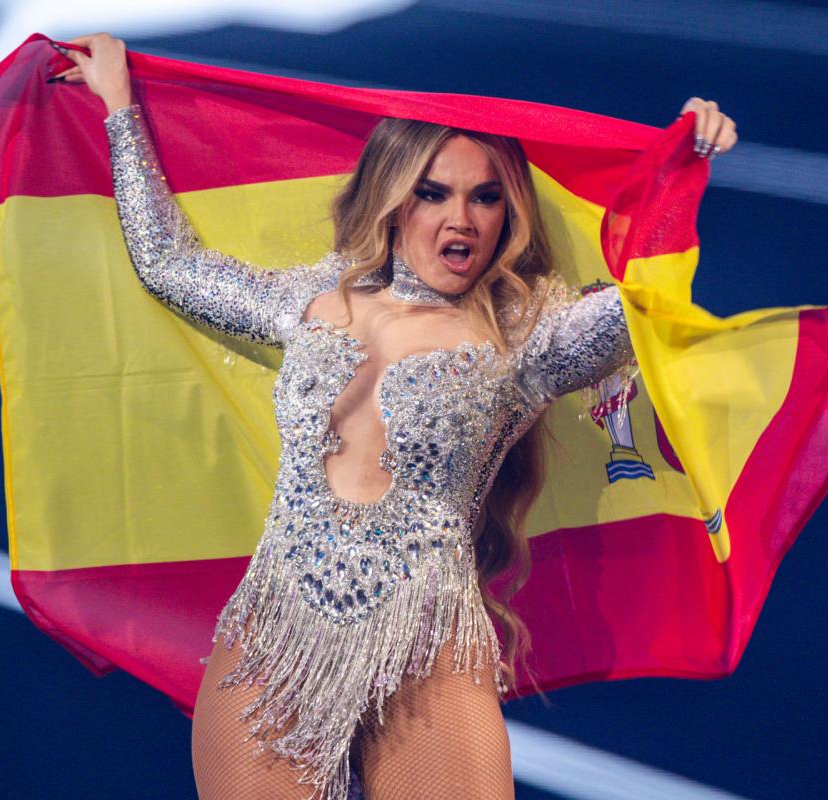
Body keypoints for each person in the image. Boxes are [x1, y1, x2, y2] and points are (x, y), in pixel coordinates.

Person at [53, 32, 738, 800]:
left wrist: (686, 165)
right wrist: (117, 105)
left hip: (426, 650)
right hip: (273, 640)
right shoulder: (311, 300)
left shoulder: (527, 333)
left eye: (486, 196)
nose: (464, 219)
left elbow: (648, 302)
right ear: (392, 195)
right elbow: (169, 265)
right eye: (434, 192)